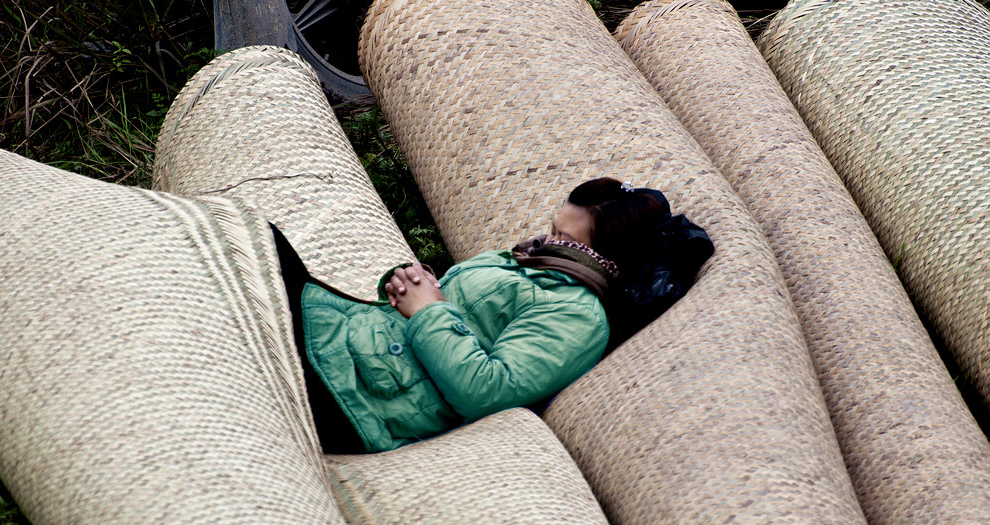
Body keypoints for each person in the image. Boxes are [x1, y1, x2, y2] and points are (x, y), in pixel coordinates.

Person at [273, 177, 713, 453]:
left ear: (602, 254)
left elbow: (487, 391)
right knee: (254, 241)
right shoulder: (535, 260)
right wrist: (410, 285)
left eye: (563, 234)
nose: (548, 236)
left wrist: (428, 309)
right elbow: (458, 311)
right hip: (350, 345)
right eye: (554, 224)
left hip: (357, 397)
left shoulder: (577, 318)